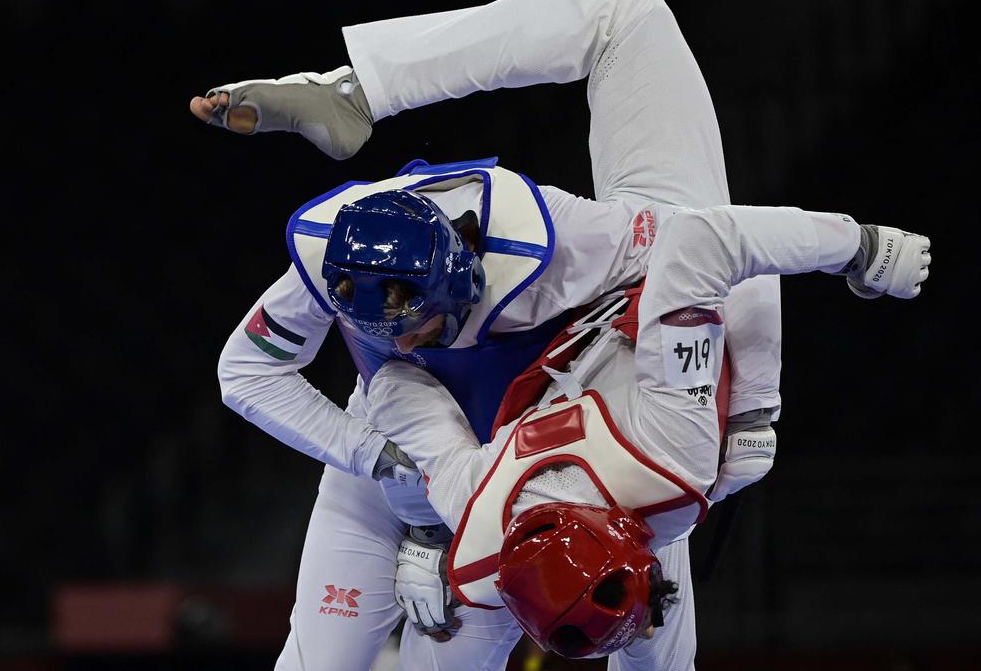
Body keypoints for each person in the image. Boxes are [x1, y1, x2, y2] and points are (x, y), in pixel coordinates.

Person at [192, 0, 785, 670]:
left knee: (626, 10)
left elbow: (722, 246)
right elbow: (250, 370)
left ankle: (359, 88)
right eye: (379, 331)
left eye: (418, 326)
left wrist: (751, 406)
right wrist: (380, 469)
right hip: (456, 445)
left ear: (464, 279)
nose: (404, 343)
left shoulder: (553, 241)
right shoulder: (327, 258)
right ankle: (352, 92)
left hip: (544, 414)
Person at [367, 207, 932, 661]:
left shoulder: (478, 526)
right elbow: (719, 248)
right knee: (742, 453)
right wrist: (857, 248)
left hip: (623, 259)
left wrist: (425, 529)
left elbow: (390, 384)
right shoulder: (674, 464)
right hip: (644, 346)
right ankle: (756, 404)